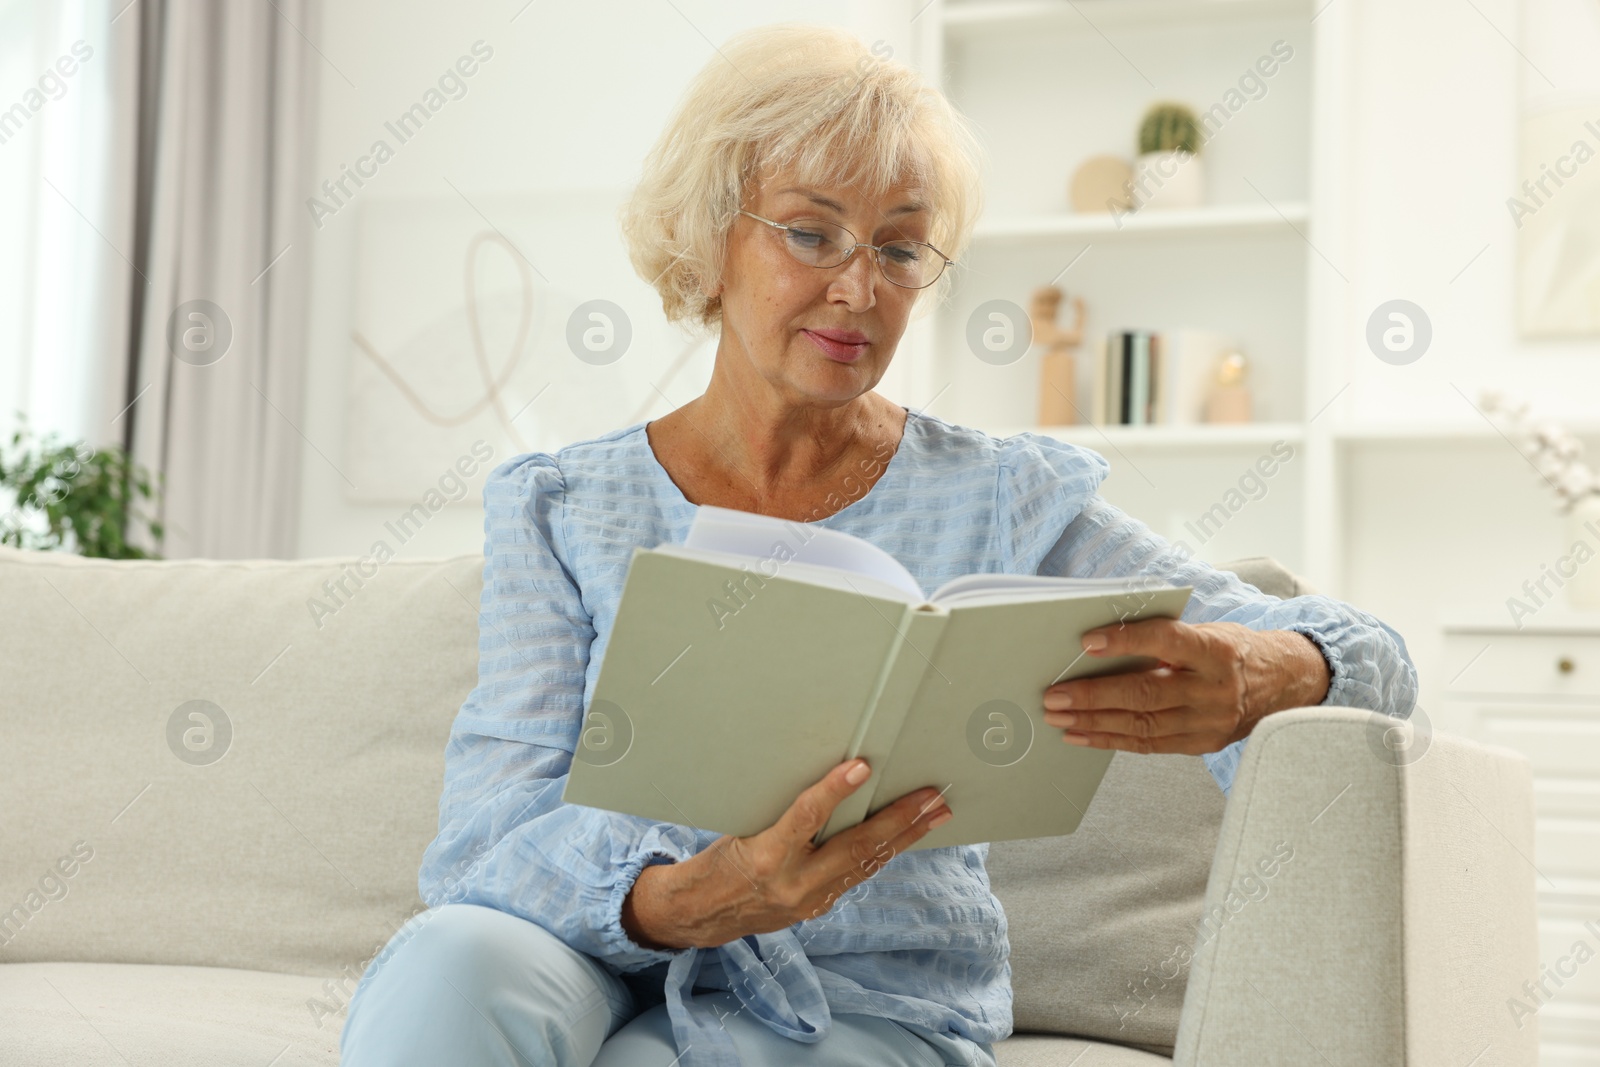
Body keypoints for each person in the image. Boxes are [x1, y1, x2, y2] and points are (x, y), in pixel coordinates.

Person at [340, 21, 1418, 1067]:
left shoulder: (1005, 495)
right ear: (709, 234)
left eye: (899, 248)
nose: (859, 289)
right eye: (811, 233)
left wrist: (1276, 669)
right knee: (453, 959)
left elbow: (1378, 661)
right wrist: (679, 897)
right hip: (601, 959)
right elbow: (482, 845)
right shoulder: (562, 504)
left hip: (864, 1001)